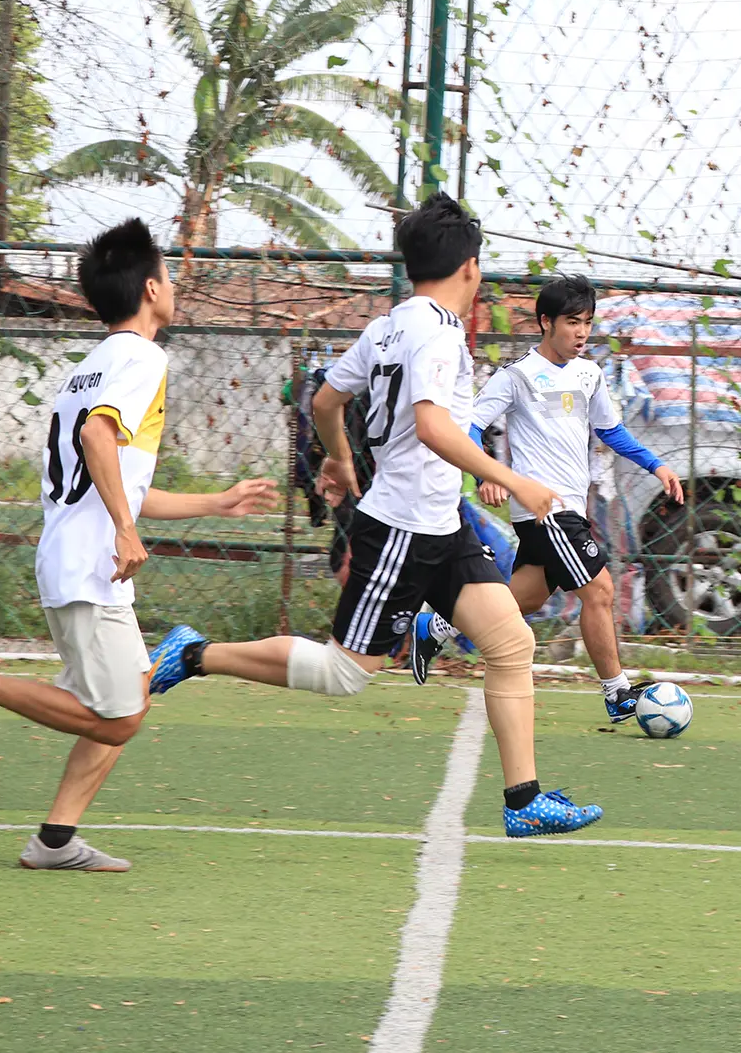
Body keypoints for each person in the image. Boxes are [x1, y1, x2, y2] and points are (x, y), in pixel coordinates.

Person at [145, 195, 603, 838]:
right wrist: (512, 479)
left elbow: (328, 399)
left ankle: (523, 801)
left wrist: (340, 461)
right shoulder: (439, 333)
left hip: (443, 523)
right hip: (402, 530)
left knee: (509, 642)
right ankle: (195, 654)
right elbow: (432, 426)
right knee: (346, 673)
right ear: (469, 268)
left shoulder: (387, 325)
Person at [0, 219, 280, 871]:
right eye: (171, 276)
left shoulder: (90, 367)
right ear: (153, 287)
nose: (174, 286)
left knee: (128, 691)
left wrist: (215, 503)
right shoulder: (142, 357)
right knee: (121, 716)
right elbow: (98, 443)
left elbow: (120, 484)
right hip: (90, 564)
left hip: (77, 557)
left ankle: (54, 839)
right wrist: (127, 533)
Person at [415, 275, 682, 721]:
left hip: (570, 506)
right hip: (544, 509)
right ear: (545, 322)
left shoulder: (589, 374)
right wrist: (488, 475)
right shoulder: (516, 376)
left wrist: (657, 465)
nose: (581, 332)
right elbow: (469, 429)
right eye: (572, 322)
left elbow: (610, 431)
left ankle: (437, 625)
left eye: (588, 323)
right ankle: (617, 694)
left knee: (529, 598)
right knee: (599, 590)